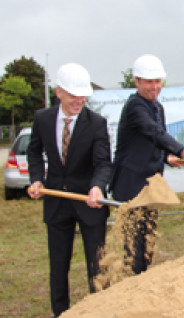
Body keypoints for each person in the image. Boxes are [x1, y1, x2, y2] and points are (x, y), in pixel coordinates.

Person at [27, 63, 112, 316]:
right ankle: (60, 312)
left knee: (97, 265)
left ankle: (100, 311)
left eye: (83, 95)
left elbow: (103, 163)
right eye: (73, 95)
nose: (79, 101)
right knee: (58, 264)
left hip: (89, 203)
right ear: (59, 92)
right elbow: (34, 151)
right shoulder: (42, 119)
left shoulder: (96, 123)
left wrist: (97, 187)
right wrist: (36, 179)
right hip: (56, 203)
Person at [109, 54, 184, 274]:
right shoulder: (135, 106)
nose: (154, 87)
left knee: (147, 242)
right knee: (134, 247)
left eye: (158, 81)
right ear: (137, 81)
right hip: (131, 185)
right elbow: (154, 132)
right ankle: (132, 290)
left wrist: (168, 157)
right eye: (149, 82)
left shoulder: (157, 107)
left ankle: (142, 281)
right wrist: (183, 151)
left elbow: (153, 142)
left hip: (150, 185)